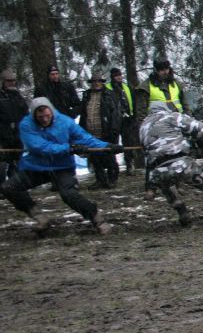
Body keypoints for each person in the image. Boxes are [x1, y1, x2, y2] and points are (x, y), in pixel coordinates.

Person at [1, 98, 118, 235]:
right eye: (40, 117)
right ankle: (39, 216)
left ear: (51, 111)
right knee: (9, 187)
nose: (45, 119)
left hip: (62, 167)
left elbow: (84, 138)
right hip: (37, 167)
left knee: (69, 194)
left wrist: (107, 146)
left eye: (47, 115)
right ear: (33, 115)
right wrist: (69, 148)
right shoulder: (26, 125)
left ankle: (97, 219)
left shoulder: (65, 122)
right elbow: (40, 147)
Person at [140, 101, 203, 226]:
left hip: (157, 169)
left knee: (165, 185)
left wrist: (150, 185)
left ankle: (182, 211)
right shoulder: (172, 117)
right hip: (180, 162)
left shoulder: (143, 127)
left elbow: (146, 154)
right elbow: (202, 129)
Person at [79, 73, 123, 188]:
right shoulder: (86, 95)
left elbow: (116, 114)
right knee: (94, 157)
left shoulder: (110, 95)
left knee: (109, 155)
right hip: (90, 132)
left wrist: (114, 130)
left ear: (102, 82)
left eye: (99, 81)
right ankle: (100, 179)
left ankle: (112, 179)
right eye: (94, 81)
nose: (96, 83)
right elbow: (83, 114)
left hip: (107, 131)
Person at [0, 69, 28, 185]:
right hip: (2, 136)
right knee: (2, 164)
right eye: (9, 81)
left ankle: (13, 187)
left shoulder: (18, 96)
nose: (12, 83)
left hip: (17, 136)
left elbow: (25, 113)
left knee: (16, 164)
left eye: (13, 80)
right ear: (3, 81)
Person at [107, 68, 138, 175]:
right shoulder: (107, 88)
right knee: (113, 143)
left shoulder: (126, 87)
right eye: (116, 76)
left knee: (128, 142)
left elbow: (133, 102)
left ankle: (129, 164)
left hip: (127, 119)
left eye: (120, 75)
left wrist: (133, 116)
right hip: (113, 120)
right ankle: (113, 166)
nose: (119, 77)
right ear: (112, 77)